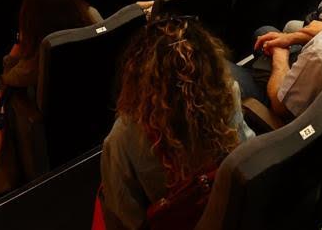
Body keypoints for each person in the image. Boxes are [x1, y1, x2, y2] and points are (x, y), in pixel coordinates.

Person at [100, 16, 254, 230]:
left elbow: (126, 217)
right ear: (207, 63)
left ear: (137, 74)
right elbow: (245, 152)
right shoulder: (226, 93)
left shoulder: (121, 138)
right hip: (228, 213)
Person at [0, 0, 94, 114]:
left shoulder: (40, 55)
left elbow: (7, 84)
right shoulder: (92, 16)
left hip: (54, 114)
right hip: (95, 98)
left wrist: (18, 45)